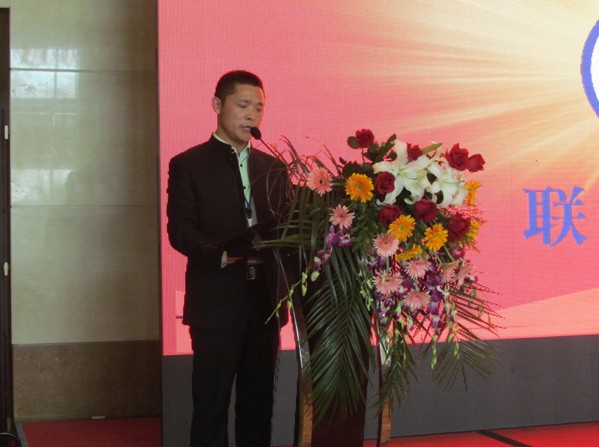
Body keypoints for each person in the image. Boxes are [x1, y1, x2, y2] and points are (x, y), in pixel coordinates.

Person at [166, 70, 290, 447]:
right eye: (243, 105)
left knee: (258, 403)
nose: (252, 115)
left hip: (264, 300)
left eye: (259, 108)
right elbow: (180, 229)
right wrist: (219, 251)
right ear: (217, 105)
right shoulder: (189, 164)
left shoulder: (274, 168)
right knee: (211, 403)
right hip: (216, 300)